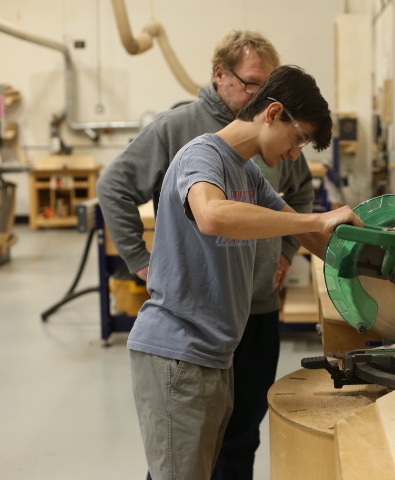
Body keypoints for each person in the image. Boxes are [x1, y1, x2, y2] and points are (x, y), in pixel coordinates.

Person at [128, 65, 364, 480]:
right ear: (273, 113)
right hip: (178, 353)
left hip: (215, 354)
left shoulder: (246, 172)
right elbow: (213, 216)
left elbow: (307, 233)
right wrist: (315, 221)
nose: (295, 154)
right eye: (298, 139)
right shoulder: (202, 155)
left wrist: (377, 262)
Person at [96, 31, 314, 480]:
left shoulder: (258, 156)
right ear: (220, 75)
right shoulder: (186, 135)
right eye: (254, 82)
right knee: (182, 456)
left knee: (238, 438)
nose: (263, 94)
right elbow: (118, 186)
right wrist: (142, 260)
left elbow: (299, 202)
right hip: (191, 325)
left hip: (248, 314)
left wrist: (292, 250)